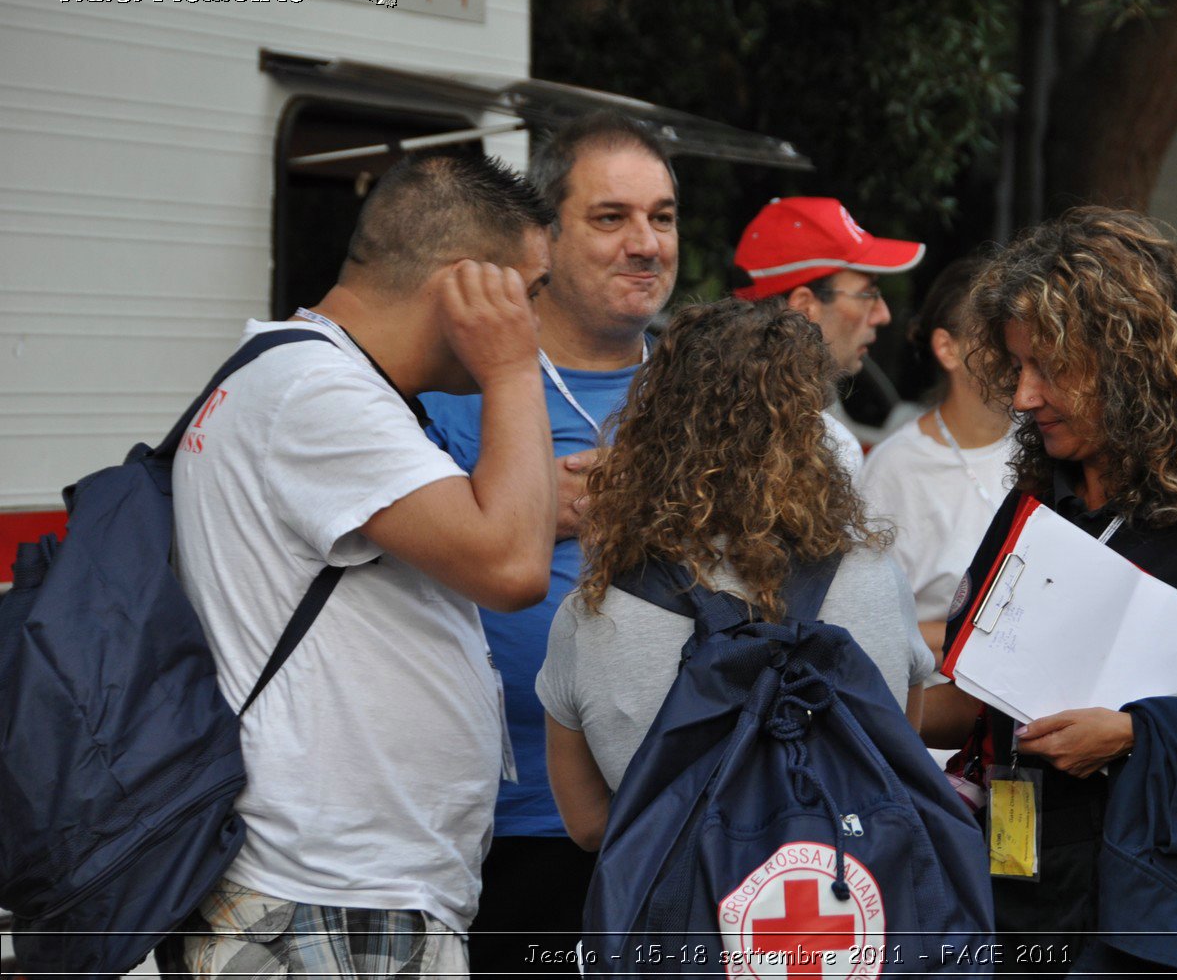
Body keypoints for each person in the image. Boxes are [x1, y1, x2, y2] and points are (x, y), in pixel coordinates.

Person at [921, 208, 1177, 970]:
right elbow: (963, 701)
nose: (1023, 396)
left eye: (1049, 368)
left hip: (1165, 916)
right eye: (1016, 368)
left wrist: (1135, 733)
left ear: (1130, 363)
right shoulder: (1036, 505)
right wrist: (854, 681)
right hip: (1026, 903)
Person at [172, 153, 558, 976]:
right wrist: (513, 369)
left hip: (348, 894)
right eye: (530, 294)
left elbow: (477, 534)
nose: (535, 322)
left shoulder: (310, 376)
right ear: (468, 288)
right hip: (325, 895)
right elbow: (512, 566)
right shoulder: (318, 391)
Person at [422, 112, 678, 975]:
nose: (645, 242)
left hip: (686, 815)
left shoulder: (712, 389)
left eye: (663, 216)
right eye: (611, 218)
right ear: (543, 237)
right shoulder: (455, 390)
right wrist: (520, 508)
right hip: (507, 826)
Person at [537, 299, 934, 845]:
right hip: (855, 909)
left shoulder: (593, 614)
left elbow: (589, 828)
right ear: (811, 427)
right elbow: (896, 771)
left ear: (653, 428)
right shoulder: (877, 579)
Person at [860, 257, 1015, 661]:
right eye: (1000, 335)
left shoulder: (1049, 439)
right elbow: (865, 621)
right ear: (948, 348)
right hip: (935, 704)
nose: (1018, 349)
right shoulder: (896, 467)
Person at [731, 196, 925, 475]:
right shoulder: (831, 450)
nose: (883, 315)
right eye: (867, 294)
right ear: (804, 308)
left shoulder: (691, 415)